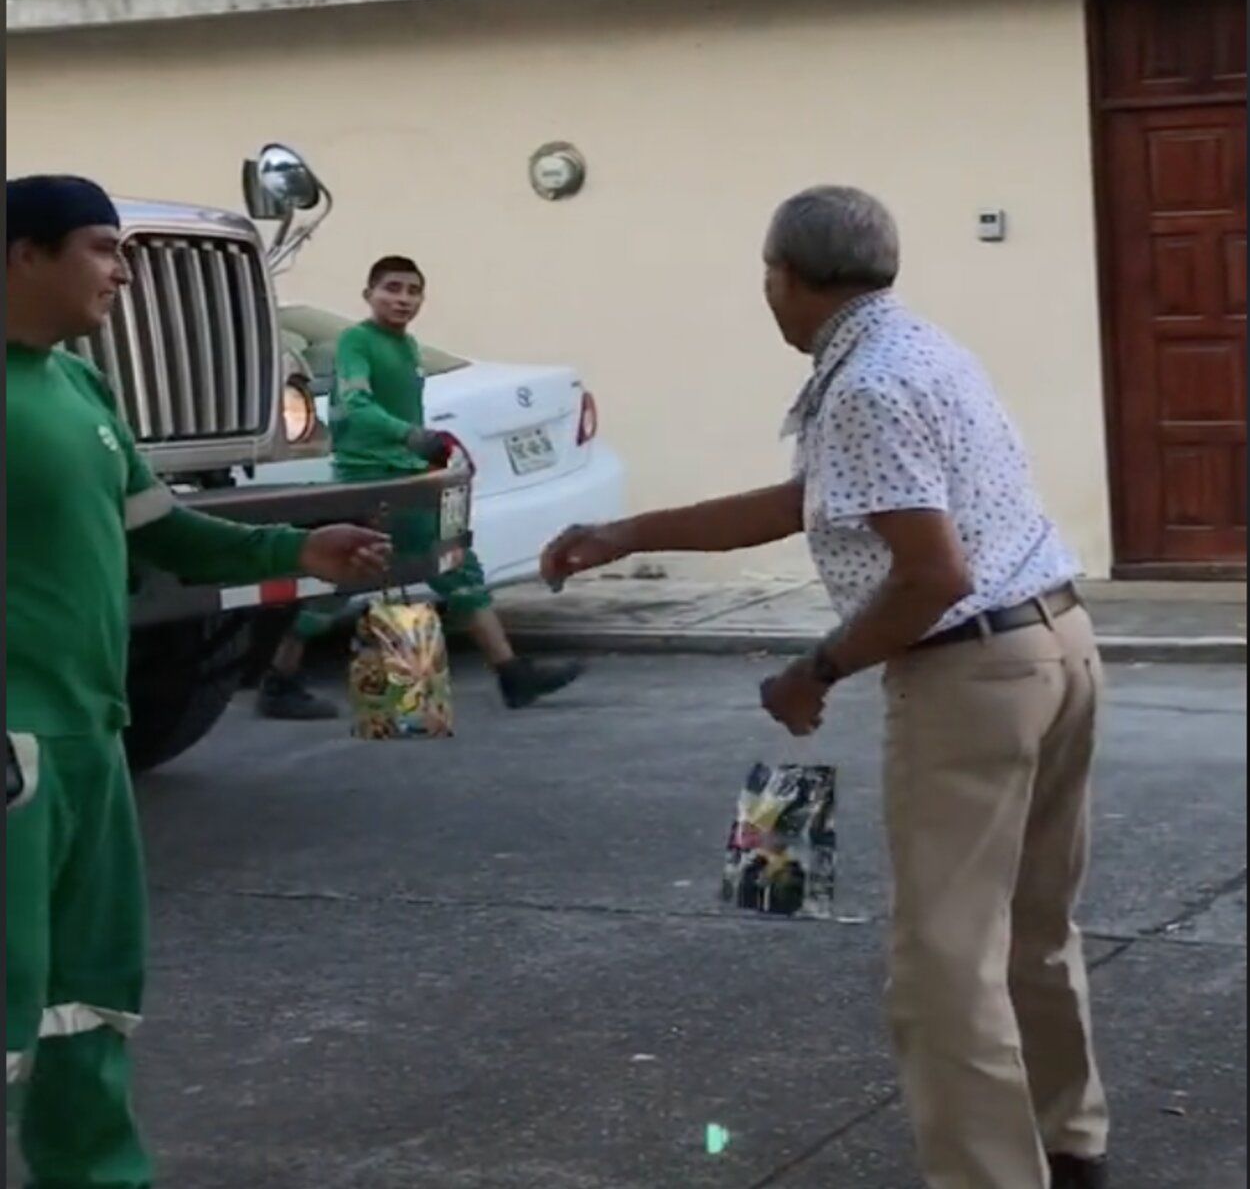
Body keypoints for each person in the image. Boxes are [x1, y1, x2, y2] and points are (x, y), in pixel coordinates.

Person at [542, 186, 1109, 1189]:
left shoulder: (864, 385)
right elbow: (809, 500)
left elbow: (932, 574)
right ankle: (1068, 1145)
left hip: (971, 671)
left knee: (942, 963)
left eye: (765, 276)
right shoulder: (921, 349)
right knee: (1032, 929)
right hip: (1058, 642)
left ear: (785, 278)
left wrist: (817, 669)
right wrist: (627, 534)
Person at [5, 174, 393, 1189]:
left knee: (85, 998)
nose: (122, 269)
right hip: (14, 745)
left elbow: (164, 533)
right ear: (22, 255)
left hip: (92, 739)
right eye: (99, 247)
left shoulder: (80, 389)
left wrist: (299, 549)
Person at [260, 253, 582, 717]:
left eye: (413, 291)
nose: (403, 299)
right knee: (445, 565)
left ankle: (280, 678)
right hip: (375, 476)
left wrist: (424, 449)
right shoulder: (355, 342)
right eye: (392, 289)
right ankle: (510, 673)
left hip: (405, 473)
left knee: (360, 575)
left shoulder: (408, 348)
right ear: (368, 295)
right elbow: (354, 405)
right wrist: (408, 436)